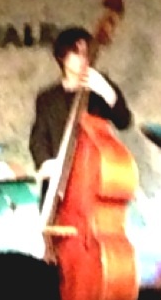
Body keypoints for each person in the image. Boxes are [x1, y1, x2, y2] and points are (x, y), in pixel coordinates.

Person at [29, 25, 132, 189]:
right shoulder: (47, 98)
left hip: (94, 181)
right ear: (62, 57)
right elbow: (38, 138)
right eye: (77, 52)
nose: (84, 58)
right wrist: (46, 162)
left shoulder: (100, 87)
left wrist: (107, 92)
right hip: (58, 182)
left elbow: (124, 121)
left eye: (87, 52)